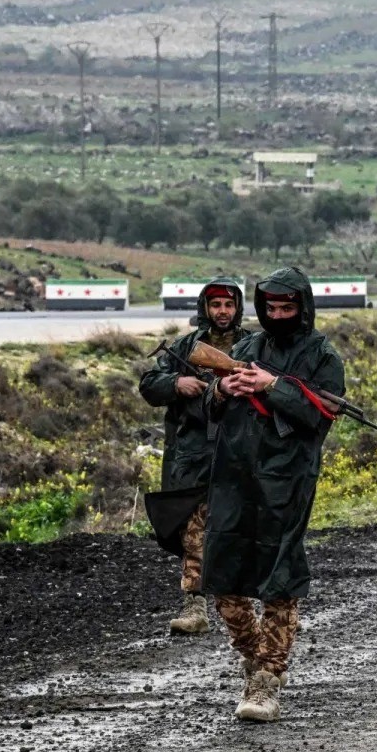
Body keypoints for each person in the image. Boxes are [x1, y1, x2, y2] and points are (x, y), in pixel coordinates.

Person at [203, 267, 345, 723]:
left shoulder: (323, 356)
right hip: (234, 474)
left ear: (303, 308)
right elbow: (208, 403)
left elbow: (320, 414)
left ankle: (266, 680)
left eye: (287, 309)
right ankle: (255, 653)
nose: (278, 316)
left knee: (279, 577)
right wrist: (224, 388)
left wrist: (272, 387)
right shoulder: (246, 347)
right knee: (222, 573)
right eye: (271, 309)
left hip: (287, 478)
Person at [137, 277, 248, 634]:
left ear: (237, 308)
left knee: (241, 529)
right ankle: (194, 606)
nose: (222, 312)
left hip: (240, 451)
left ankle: (246, 610)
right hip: (195, 453)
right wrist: (176, 384)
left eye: (228, 305)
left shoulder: (254, 346)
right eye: (216, 305)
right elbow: (149, 385)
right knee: (194, 529)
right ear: (205, 308)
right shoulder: (185, 347)